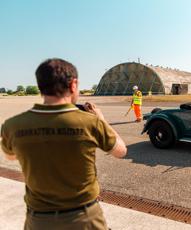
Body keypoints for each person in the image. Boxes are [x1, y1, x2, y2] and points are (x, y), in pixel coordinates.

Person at [1, 58, 127, 230]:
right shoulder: (90, 122)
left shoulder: (13, 125)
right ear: (73, 85)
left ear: (40, 86)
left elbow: (10, 156)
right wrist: (102, 120)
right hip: (84, 218)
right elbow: (121, 151)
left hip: (38, 220)